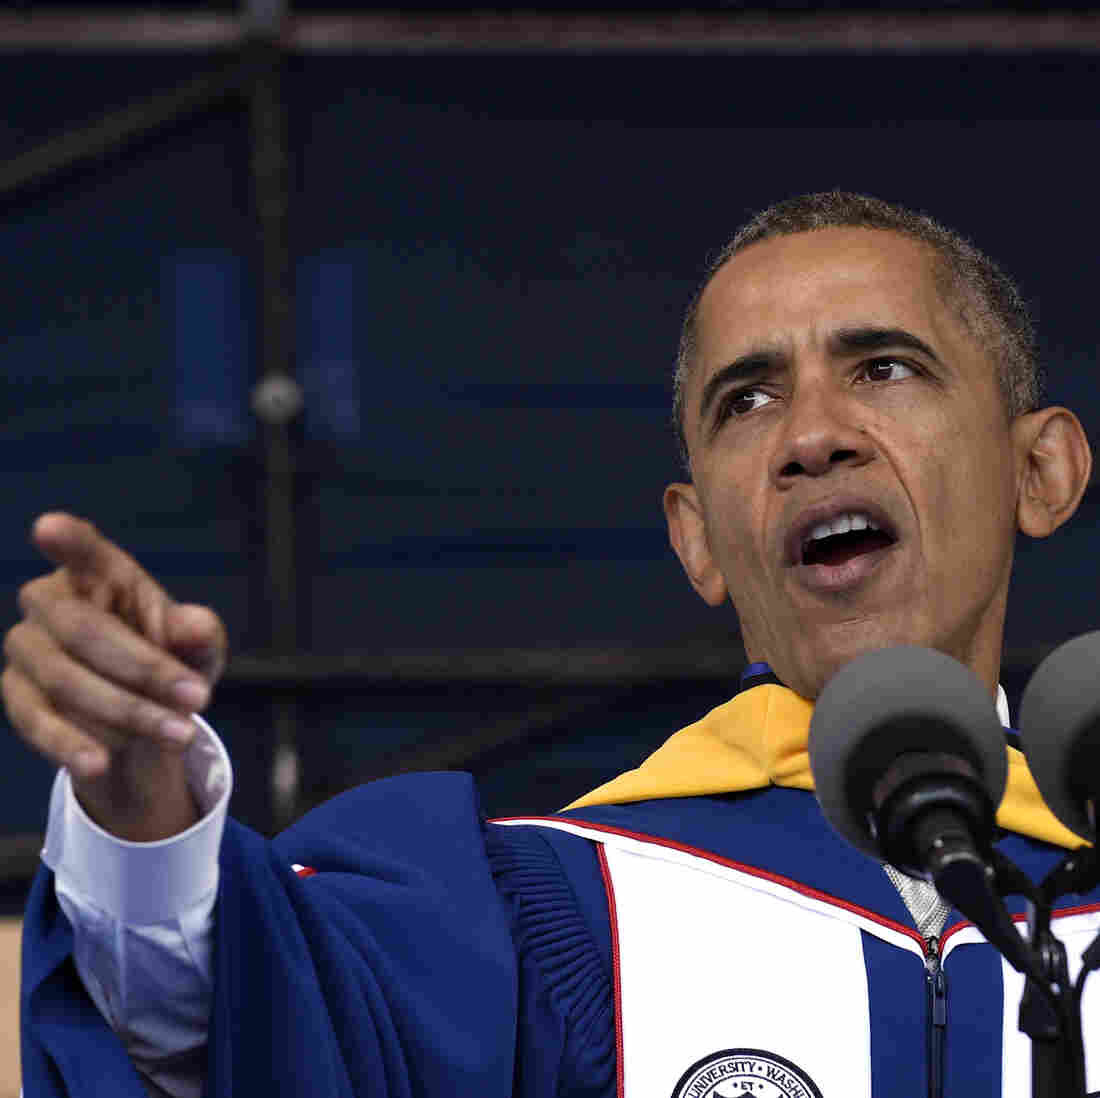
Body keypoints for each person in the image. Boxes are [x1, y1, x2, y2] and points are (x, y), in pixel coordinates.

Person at [7, 191, 1097, 1098]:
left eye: (882, 369)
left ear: (1038, 472)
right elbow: (222, 1021)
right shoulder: (543, 913)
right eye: (746, 400)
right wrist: (139, 797)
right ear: (695, 540)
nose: (811, 437)